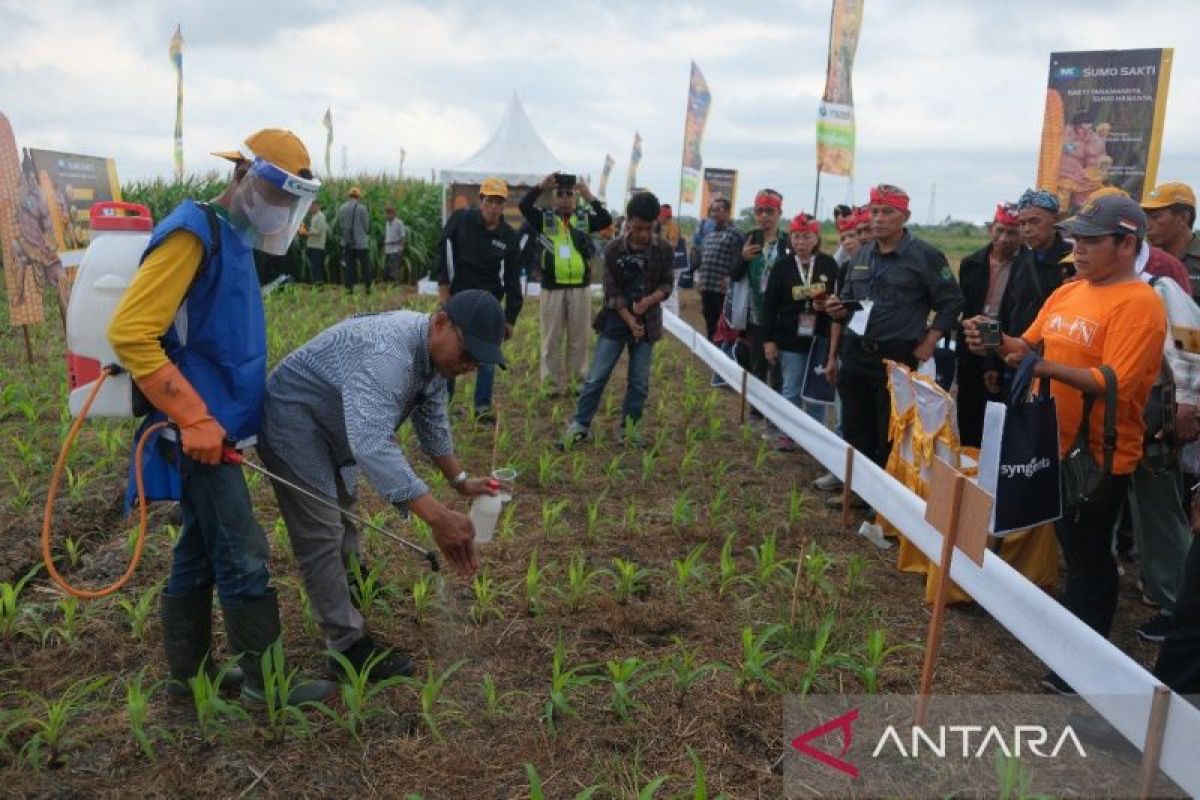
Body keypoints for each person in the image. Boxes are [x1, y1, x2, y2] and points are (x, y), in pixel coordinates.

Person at [107, 128, 333, 705]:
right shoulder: (194, 232)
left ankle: (190, 677)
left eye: (289, 202)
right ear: (242, 177)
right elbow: (131, 332)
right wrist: (193, 418)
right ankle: (266, 687)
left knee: (200, 550)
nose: (280, 211)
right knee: (243, 552)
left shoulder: (233, 239)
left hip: (217, 427)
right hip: (196, 430)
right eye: (275, 195)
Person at [965, 194, 1166, 694]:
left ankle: (1080, 665)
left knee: (1090, 560)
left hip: (1097, 454)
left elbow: (1112, 380)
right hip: (1049, 441)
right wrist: (994, 341)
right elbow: (1027, 346)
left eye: (1092, 240)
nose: (1078, 248)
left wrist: (1043, 367)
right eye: (1077, 238)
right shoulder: (1068, 292)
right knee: (1071, 552)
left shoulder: (1139, 303)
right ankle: (1069, 644)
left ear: (1127, 243)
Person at [257, 290, 502, 679]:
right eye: (468, 351)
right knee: (321, 529)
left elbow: (432, 423)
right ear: (440, 323)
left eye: (478, 360)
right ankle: (347, 647)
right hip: (293, 420)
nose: (470, 364)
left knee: (345, 508)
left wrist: (460, 482)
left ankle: (353, 587)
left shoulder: (434, 362)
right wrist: (437, 517)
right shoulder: (389, 354)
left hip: (332, 426)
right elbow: (371, 444)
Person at [825, 184, 964, 508]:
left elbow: (952, 300)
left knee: (891, 432)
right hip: (856, 353)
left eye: (888, 212)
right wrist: (837, 308)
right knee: (857, 428)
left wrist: (930, 340)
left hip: (897, 358)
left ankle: (886, 504)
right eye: (874, 211)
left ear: (906, 216)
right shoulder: (860, 254)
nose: (879, 219)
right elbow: (851, 303)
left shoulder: (925, 256)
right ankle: (858, 490)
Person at [560, 191, 673, 448]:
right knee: (597, 375)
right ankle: (580, 425)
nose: (643, 234)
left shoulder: (664, 250)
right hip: (615, 321)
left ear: (656, 222)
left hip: (648, 322)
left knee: (639, 381)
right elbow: (612, 292)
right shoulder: (613, 249)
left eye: (649, 228)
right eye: (638, 227)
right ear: (629, 221)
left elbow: (668, 283)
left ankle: (629, 429)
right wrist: (629, 319)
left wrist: (648, 301)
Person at [434, 177, 522, 423]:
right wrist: (443, 292)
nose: (494, 207)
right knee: (449, 351)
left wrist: (510, 317)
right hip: (459, 297)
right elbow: (443, 251)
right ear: (481, 200)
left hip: (489, 303)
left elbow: (513, 280)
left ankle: (482, 406)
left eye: (499, 203)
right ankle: (445, 405)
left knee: (487, 355)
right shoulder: (461, 221)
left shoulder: (508, 237)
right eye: (490, 201)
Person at [519, 173, 612, 398]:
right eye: (559, 194)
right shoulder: (544, 218)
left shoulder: (583, 218)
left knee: (579, 339)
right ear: (553, 197)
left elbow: (606, 219)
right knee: (551, 340)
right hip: (552, 288)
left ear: (575, 196)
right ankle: (550, 386)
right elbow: (524, 206)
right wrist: (540, 186)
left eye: (569, 194)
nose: (564, 198)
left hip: (580, 288)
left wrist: (589, 196)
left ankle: (578, 385)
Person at [762, 213, 838, 448]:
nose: (800, 242)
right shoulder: (782, 266)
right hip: (789, 338)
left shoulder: (828, 264)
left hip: (821, 338)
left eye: (806, 237)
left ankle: (815, 437)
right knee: (791, 387)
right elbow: (769, 305)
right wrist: (768, 340)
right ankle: (788, 433)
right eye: (796, 237)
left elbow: (838, 298)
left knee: (816, 390)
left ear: (816, 238)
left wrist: (825, 305)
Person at [955, 203, 1027, 447]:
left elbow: (1016, 317)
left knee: (996, 417)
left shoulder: (1027, 267)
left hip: (1004, 344)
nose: (1004, 238)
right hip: (971, 342)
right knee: (967, 411)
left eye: (1012, 232)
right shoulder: (970, 263)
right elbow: (964, 308)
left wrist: (994, 360)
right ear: (991, 229)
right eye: (1000, 230)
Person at [735, 190, 789, 409]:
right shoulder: (748, 238)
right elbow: (734, 274)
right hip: (756, 314)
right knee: (757, 364)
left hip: (782, 315)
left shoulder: (788, 241)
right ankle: (756, 410)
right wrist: (743, 258)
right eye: (760, 211)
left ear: (779, 213)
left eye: (770, 211)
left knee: (778, 367)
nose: (764, 216)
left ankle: (775, 412)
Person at [695, 197, 744, 342]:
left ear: (728, 212)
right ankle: (712, 353)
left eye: (717, 210)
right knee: (710, 321)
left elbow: (739, 259)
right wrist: (700, 280)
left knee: (724, 325)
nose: (714, 214)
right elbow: (704, 259)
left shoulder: (736, 233)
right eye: (712, 211)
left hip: (723, 291)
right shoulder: (709, 235)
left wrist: (730, 278)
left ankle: (725, 356)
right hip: (707, 287)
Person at [1142, 182, 1200, 300]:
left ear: (1183, 218)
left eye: (1155, 217)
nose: (1147, 225)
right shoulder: (1140, 258)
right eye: (1144, 217)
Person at [336, 186, 371, 292]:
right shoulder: (362, 208)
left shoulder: (342, 208)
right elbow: (366, 226)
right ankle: (368, 288)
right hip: (361, 243)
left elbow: (340, 224)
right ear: (358, 197)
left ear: (349, 196)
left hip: (347, 243)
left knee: (349, 267)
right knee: (365, 266)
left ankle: (349, 289)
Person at [301, 199, 329, 284]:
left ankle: (318, 282)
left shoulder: (320, 216)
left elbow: (319, 232)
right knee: (317, 265)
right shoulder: (314, 216)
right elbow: (314, 229)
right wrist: (306, 228)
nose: (309, 208)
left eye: (311, 206)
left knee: (316, 266)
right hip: (312, 245)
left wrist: (307, 233)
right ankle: (322, 282)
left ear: (316, 206)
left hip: (317, 246)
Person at [382, 205, 407, 283]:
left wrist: (401, 248)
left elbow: (403, 236)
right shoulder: (387, 223)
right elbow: (387, 236)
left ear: (393, 213)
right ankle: (389, 286)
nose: (387, 215)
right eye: (386, 213)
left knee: (394, 269)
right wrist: (384, 248)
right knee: (387, 269)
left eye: (388, 213)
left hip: (395, 249)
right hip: (388, 249)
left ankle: (396, 285)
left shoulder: (399, 223)